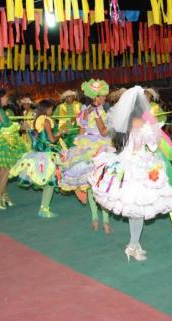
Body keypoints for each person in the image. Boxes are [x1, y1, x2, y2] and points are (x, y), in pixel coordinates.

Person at [90, 86, 172, 262]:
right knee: (138, 209)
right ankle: (132, 245)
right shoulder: (143, 123)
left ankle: (135, 243)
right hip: (138, 166)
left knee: (135, 210)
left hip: (123, 163)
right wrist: (155, 130)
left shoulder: (122, 122)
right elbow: (154, 145)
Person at [59, 79, 113, 233]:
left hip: (86, 147)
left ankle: (95, 219)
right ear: (96, 97)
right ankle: (106, 222)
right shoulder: (97, 111)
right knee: (102, 184)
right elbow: (103, 131)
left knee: (89, 184)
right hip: (99, 148)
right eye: (102, 96)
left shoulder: (85, 110)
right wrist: (114, 126)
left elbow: (81, 132)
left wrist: (79, 149)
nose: (104, 98)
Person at [11, 100, 64, 217]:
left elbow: (36, 136)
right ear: (47, 109)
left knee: (49, 181)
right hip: (46, 154)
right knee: (50, 181)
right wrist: (61, 133)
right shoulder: (46, 120)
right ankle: (44, 209)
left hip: (39, 153)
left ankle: (44, 208)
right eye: (51, 108)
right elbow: (52, 139)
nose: (52, 111)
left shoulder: (37, 120)